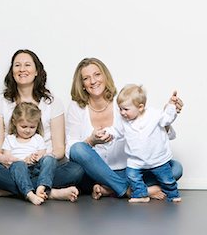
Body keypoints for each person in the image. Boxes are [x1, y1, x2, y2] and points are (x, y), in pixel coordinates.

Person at [66, 57, 184, 200]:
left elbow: (146, 125)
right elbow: (71, 150)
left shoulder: (122, 101)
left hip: (127, 171)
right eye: (86, 78)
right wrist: (91, 141)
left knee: (175, 168)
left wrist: (166, 115)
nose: (93, 81)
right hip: (93, 174)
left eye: (97, 74)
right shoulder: (76, 107)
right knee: (78, 148)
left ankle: (111, 189)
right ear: (82, 84)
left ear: (105, 76)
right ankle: (127, 190)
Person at [0, 49, 83, 202]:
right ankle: (50, 192)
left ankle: (4, 191)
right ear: (12, 72)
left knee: (77, 170)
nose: (22, 69)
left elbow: (59, 149)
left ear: (37, 70)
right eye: (17, 65)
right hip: (11, 167)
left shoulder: (52, 102)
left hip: (44, 168)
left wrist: (43, 157)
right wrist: (4, 158)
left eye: (27, 65)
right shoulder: (0, 101)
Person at [103, 84, 181, 202]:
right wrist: (107, 133)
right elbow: (116, 130)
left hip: (157, 158)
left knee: (167, 179)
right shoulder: (124, 120)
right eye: (120, 109)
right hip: (136, 160)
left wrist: (171, 106)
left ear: (140, 107)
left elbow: (167, 119)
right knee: (132, 176)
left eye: (126, 109)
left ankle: (173, 195)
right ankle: (141, 194)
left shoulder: (154, 115)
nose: (122, 112)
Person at [3, 102, 58, 205]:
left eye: (32, 127)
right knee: (18, 165)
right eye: (24, 126)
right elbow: (7, 158)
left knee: (50, 159)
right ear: (15, 122)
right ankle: (29, 193)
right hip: (19, 170)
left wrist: (36, 156)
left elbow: (42, 153)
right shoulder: (10, 139)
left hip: (36, 169)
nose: (28, 130)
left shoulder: (37, 138)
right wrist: (23, 160)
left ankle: (41, 186)